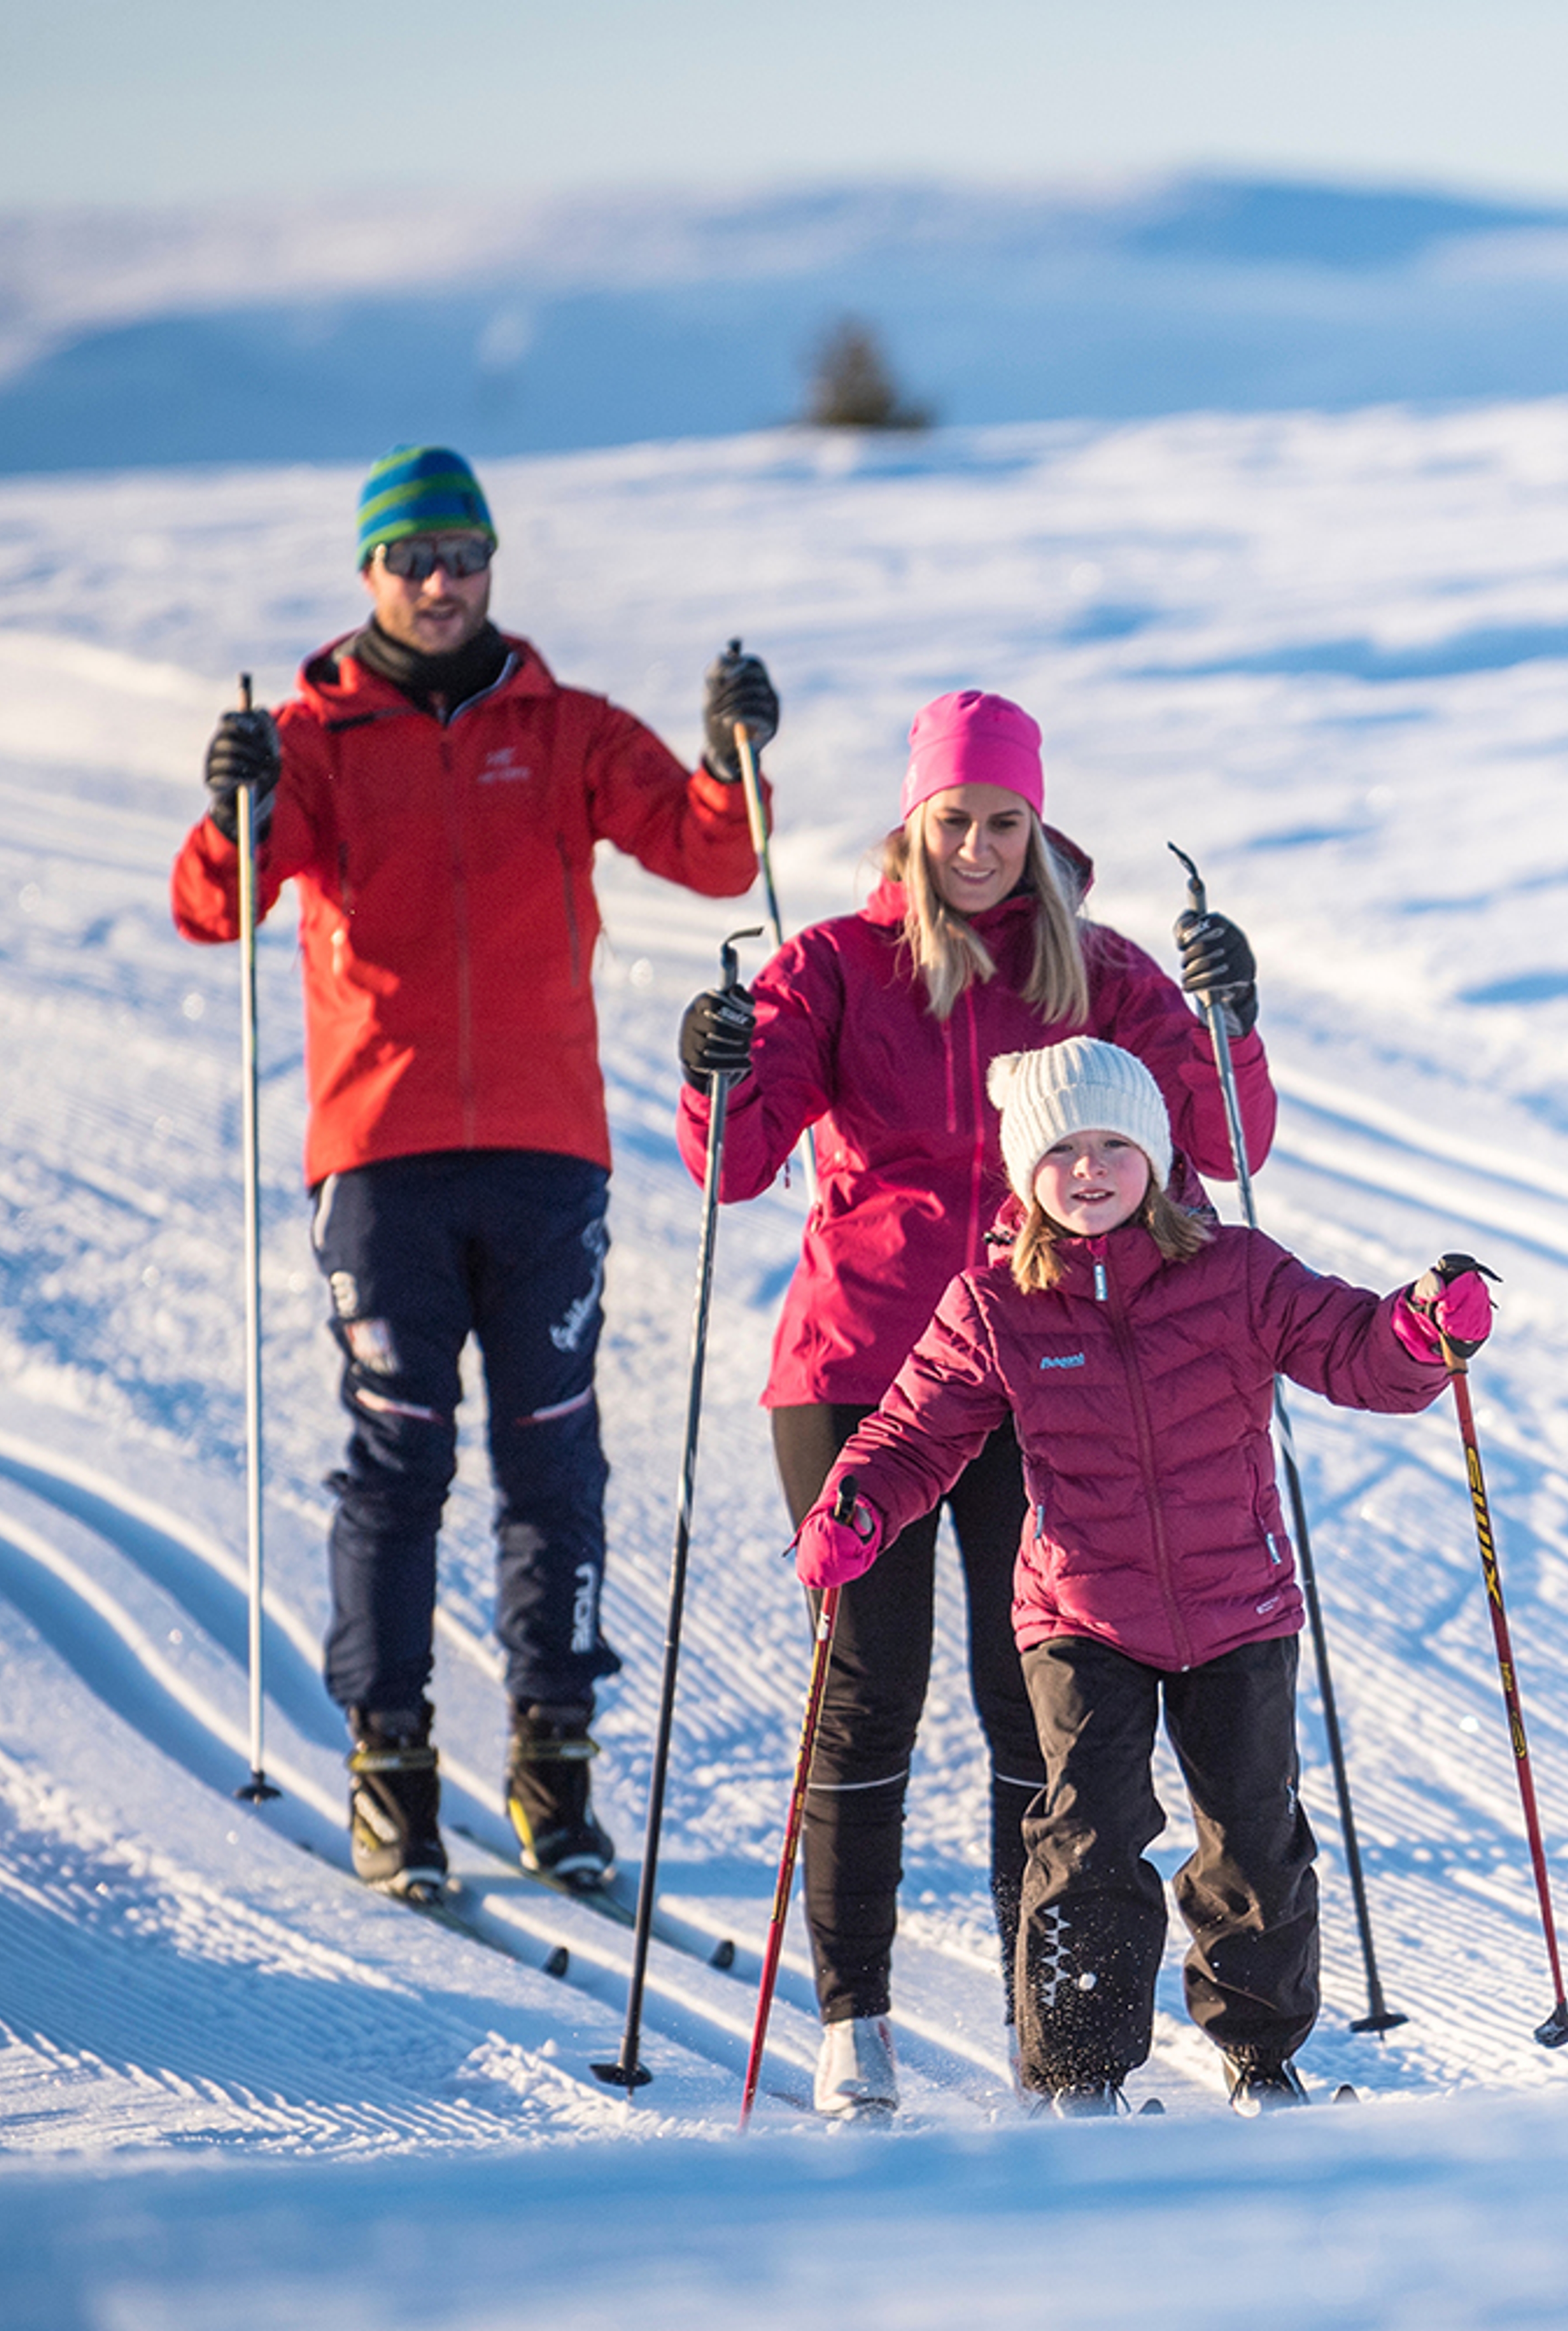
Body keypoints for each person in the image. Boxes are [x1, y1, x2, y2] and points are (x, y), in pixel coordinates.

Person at [171, 443, 779, 1898]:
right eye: (412, 560)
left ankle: (552, 1764)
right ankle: (392, 1769)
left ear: (493, 564)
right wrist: (233, 806)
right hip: (379, 1159)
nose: (441, 584)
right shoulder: (315, 740)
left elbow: (709, 857)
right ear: (370, 574)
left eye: (463, 557)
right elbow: (216, 908)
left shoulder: (564, 727)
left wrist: (732, 755)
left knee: (554, 1452)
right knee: (401, 1455)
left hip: (544, 1150)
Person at [675, 687, 1275, 2117]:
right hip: (857, 1372)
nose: (982, 847)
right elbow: (734, 1167)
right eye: (957, 820)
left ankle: (1047, 2027)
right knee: (869, 1695)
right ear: (914, 822)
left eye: (1007, 821)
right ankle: (853, 2017)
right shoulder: (835, 968)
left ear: (1038, 823)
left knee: (1044, 1716)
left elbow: (1225, 1142)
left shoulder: (1110, 978)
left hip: (1045, 1368)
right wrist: (719, 1069)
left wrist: (1229, 1017)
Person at [795, 1035, 1492, 2116]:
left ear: (1158, 1157)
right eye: (1063, 1149)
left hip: (1238, 1606)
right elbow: (914, 1428)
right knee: (1087, 1839)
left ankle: (1262, 2062)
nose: (1089, 1169)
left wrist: (1418, 1329)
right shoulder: (995, 1303)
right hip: (1083, 1613)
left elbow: (1356, 1349)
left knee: (1255, 1839)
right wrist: (859, 1502)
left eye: (1115, 1143)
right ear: (1026, 1172)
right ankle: (1078, 2075)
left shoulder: (1239, 1272)